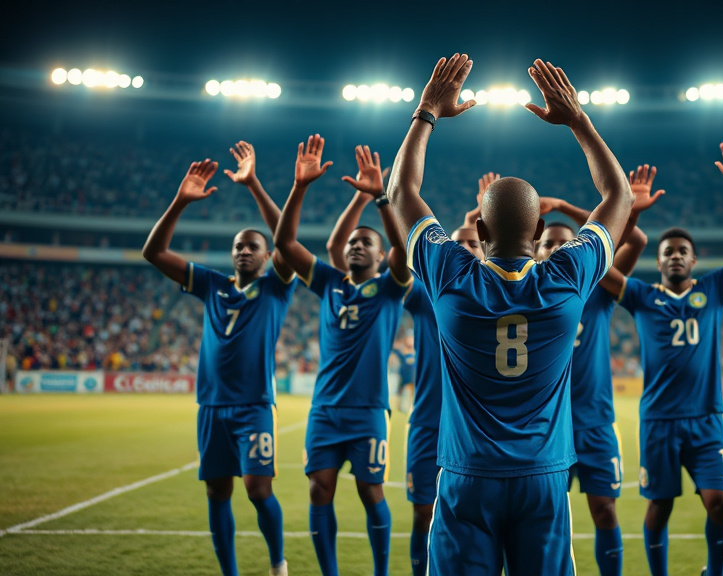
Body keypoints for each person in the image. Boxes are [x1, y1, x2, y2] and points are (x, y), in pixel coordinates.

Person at [386, 54, 634, 575]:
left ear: (478, 232)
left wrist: (427, 111)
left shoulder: (451, 274)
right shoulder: (567, 277)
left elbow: (400, 193)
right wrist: (579, 121)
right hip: (542, 477)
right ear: (541, 233)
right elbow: (620, 196)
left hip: (467, 475)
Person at [601, 139, 723, 576]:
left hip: (706, 419)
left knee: (721, 504)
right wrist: (632, 214)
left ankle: (713, 573)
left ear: (694, 260)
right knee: (659, 507)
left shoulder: (714, 289)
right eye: (668, 252)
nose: (675, 256)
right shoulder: (641, 296)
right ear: (659, 263)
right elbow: (602, 265)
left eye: (682, 251)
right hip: (659, 419)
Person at [142, 142, 294, 576]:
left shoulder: (276, 288)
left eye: (253, 247)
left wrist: (254, 185)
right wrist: (179, 202)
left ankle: (278, 565)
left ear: (267, 256)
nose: (244, 251)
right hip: (211, 406)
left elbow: (288, 240)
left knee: (258, 490)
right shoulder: (212, 285)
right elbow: (153, 253)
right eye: (238, 246)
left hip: (253, 405)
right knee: (217, 493)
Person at [274, 138, 412, 576]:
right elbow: (285, 243)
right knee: (319, 490)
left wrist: (381, 199)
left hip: (368, 410)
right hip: (325, 409)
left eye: (366, 242)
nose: (355, 246)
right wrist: (299, 187)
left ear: (380, 256)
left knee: (371, 493)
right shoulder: (329, 283)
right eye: (352, 242)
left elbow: (403, 250)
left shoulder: (390, 288)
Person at [533, 163, 664, 576]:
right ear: (535, 250)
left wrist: (567, 207)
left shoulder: (598, 288)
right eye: (548, 243)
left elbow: (635, 239)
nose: (557, 249)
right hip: (545, 426)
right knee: (544, 518)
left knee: (605, 510)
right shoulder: (525, 292)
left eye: (566, 243)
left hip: (594, 422)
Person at [401, 175, 488, 576]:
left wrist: (475, 221)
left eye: (473, 243)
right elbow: (405, 253)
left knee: (482, 519)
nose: (465, 249)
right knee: (423, 513)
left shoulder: (501, 292)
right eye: (458, 245)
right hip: (429, 421)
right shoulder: (427, 291)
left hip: (476, 429)